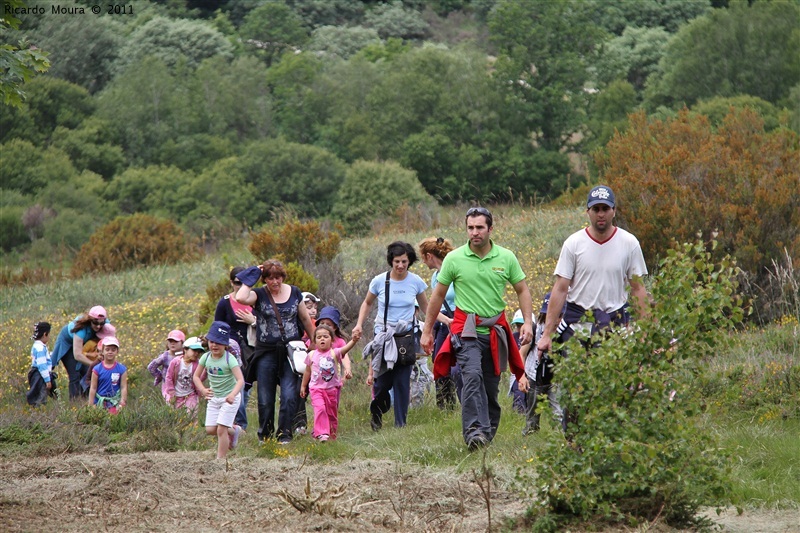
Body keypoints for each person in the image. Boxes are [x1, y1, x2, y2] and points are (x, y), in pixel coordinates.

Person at [536, 185, 648, 433]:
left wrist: (645, 329)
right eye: (596, 209)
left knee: (612, 385)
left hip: (614, 327)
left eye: (605, 209)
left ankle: (606, 439)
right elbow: (560, 288)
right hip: (578, 326)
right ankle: (574, 441)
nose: (601, 214)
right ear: (587, 211)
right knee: (575, 386)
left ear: (614, 211)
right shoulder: (574, 243)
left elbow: (638, 289)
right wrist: (546, 335)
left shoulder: (629, 243)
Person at [420, 206, 532, 451]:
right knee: (470, 377)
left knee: (491, 387)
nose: (474, 232)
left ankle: (487, 433)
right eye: (470, 228)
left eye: (480, 227)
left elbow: (522, 289)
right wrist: (428, 331)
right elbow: (437, 296)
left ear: (490, 229)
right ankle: (474, 433)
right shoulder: (454, 259)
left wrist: (528, 323)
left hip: (495, 331)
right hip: (465, 330)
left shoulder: (506, 257)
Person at [235, 259, 315, 444]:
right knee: (265, 398)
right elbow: (240, 297)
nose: (275, 282)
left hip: (291, 352)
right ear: (264, 279)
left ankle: (285, 435)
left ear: (283, 277)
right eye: (270, 278)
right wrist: (253, 273)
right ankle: (265, 436)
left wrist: (313, 343)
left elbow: (304, 318)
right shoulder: (259, 294)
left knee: (289, 395)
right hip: (266, 352)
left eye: (278, 277)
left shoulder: (295, 292)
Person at [353, 241, 429, 431]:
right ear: (391, 261)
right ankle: (377, 411)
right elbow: (367, 303)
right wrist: (359, 325)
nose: (401, 265)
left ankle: (400, 425)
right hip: (384, 337)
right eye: (397, 261)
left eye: (404, 261)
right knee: (381, 382)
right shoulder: (380, 281)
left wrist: (445, 322)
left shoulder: (416, 282)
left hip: (406, 338)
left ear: (409, 261)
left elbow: (428, 308)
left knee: (402, 381)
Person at [418, 237, 461, 410]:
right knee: (440, 362)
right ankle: (445, 405)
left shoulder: (456, 270)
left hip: (459, 318)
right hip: (443, 322)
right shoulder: (435, 277)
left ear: (429, 256)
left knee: (459, 364)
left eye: (423, 257)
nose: (423, 261)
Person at [193, 321, 245, 459]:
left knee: (221, 429)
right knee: (211, 430)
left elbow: (240, 380)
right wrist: (203, 390)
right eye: (212, 342)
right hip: (214, 398)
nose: (215, 345)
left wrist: (233, 395)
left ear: (226, 344)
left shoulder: (230, 359)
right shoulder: (206, 357)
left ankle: (220, 459)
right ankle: (235, 430)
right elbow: (196, 377)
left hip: (229, 399)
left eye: (219, 342)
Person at [299, 324, 358, 441]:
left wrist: (354, 341)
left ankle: (331, 435)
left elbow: (345, 349)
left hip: (332, 389)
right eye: (319, 337)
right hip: (316, 389)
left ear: (332, 340)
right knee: (320, 409)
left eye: (325, 336)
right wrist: (303, 386)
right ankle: (321, 433)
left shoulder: (334, 353)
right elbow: (307, 372)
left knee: (331, 413)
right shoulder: (311, 355)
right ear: (314, 340)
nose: (322, 339)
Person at [215, 266, 257, 431]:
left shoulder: (255, 300)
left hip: (251, 349)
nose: (240, 287)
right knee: (234, 386)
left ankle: (238, 423)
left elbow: (268, 325)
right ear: (231, 283)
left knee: (246, 387)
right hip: (230, 350)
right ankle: (238, 424)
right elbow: (217, 327)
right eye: (238, 283)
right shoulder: (224, 303)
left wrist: (252, 320)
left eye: (245, 283)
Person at [522, 294, 564, 435]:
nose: (556, 320)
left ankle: (560, 437)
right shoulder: (534, 330)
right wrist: (521, 376)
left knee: (558, 412)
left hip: (556, 378)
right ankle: (530, 434)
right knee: (532, 414)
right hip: (534, 376)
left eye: (560, 316)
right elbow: (522, 353)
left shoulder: (565, 332)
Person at [51, 306, 110, 399]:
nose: (98, 326)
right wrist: (94, 364)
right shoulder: (81, 329)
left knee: (88, 372)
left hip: (84, 344)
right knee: (74, 373)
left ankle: (87, 399)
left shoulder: (106, 325)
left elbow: (110, 343)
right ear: (90, 320)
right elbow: (77, 355)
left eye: (101, 323)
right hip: (68, 342)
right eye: (95, 323)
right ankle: (74, 403)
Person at [293, 291, 321, 435]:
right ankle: (299, 424)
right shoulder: (295, 325)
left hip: (314, 365)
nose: (313, 311)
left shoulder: (318, 325)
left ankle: (322, 425)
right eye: (308, 307)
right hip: (297, 365)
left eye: (314, 307)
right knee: (298, 393)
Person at [163, 336, 206, 416]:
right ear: (185, 349)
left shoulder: (197, 364)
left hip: (190, 394)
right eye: (194, 350)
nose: (196, 353)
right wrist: (171, 393)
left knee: (191, 415)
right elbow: (169, 378)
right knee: (176, 416)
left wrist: (206, 370)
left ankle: (193, 427)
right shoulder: (176, 362)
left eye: (199, 352)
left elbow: (199, 379)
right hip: (176, 395)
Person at [88, 336, 127, 414]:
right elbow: (93, 388)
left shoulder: (122, 369)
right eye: (107, 349)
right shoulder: (97, 369)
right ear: (102, 351)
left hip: (114, 403)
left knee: (112, 421)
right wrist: (91, 404)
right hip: (99, 402)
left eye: (113, 350)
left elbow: (123, 387)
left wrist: (122, 402)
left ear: (117, 351)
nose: (110, 352)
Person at [147, 329, 186, 397]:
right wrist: (160, 376)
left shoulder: (186, 355)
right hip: (167, 386)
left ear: (182, 343)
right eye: (170, 341)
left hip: (183, 385)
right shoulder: (165, 357)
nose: (172, 343)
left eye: (176, 341)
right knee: (171, 403)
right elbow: (151, 367)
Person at [26, 321, 54, 406]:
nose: (49, 337)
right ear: (45, 334)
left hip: (36, 374)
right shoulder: (40, 348)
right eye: (49, 334)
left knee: (38, 393)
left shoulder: (37, 346)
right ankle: (39, 411)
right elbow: (42, 365)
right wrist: (47, 380)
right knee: (41, 396)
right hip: (40, 375)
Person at [507, 310, 527, 414]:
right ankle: (518, 414)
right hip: (517, 373)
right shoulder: (514, 337)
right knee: (518, 391)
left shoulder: (534, 337)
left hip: (533, 371)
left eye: (522, 325)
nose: (520, 329)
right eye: (518, 326)